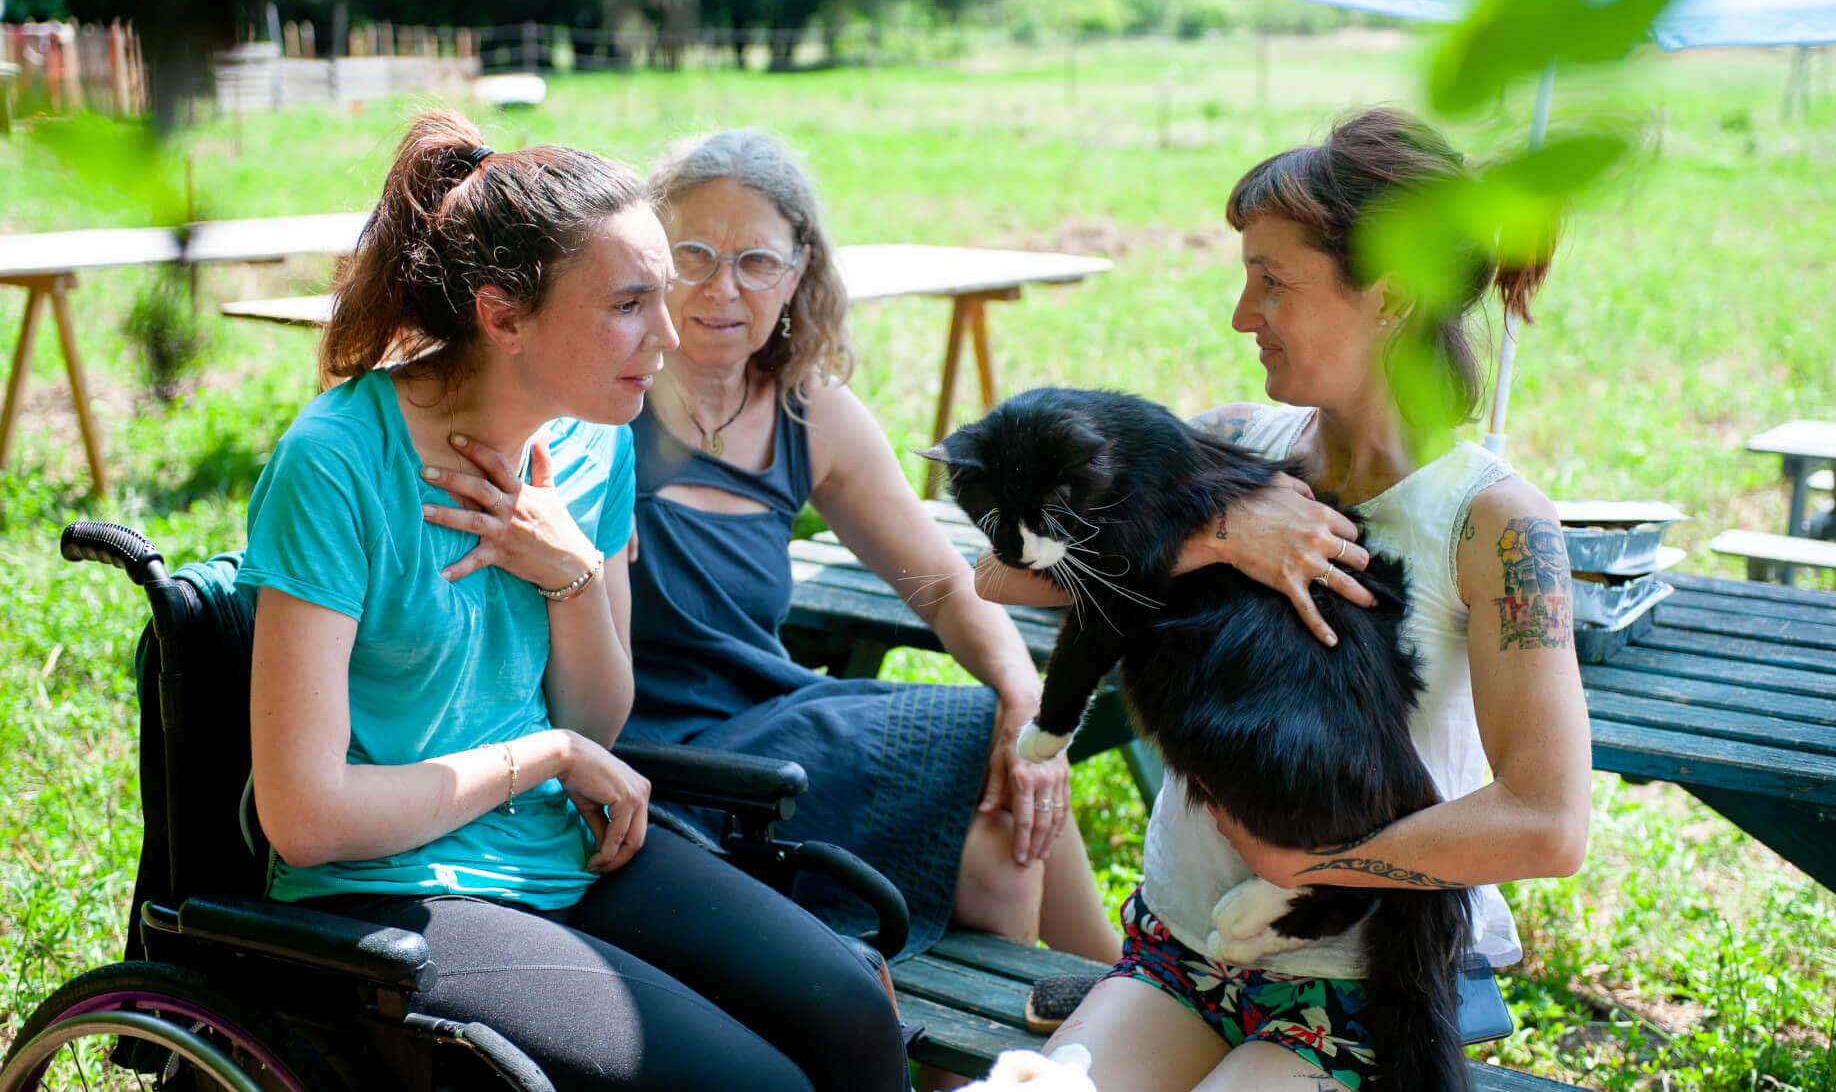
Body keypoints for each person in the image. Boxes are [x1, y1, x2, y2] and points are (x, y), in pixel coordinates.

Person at [241, 110, 907, 1092]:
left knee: (852, 1013)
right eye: (630, 304)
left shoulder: (594, 440)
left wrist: (571, 572)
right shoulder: (336, 464)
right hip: (388, 886)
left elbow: (598, 714)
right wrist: (544, 757)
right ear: (503, 316)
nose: (670, 336)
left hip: (559, 847)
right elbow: (306, 819)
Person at [981, 108, 1592, 1091]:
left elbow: (1548, 823)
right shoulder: (1235, 447)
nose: (1240, 314)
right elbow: (1002, 568)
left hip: (1360, 987)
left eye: (1272, 282)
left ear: (1387, 298)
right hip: (1182, 960)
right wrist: (1215, 535)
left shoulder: (1493, 524)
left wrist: (1307, 866)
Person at [614, 128, 1120, 968]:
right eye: (692, 254)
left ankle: (1081, 1007)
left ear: (800, 267)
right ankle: (1100, 998)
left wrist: (1028, 703)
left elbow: (949, 588)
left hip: (771, 721)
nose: (722, 288)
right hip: (653, 764)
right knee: (997, 808)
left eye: (757, 262)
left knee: (1007, 767)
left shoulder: (806, 410)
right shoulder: (600, 400)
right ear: (647, 256)